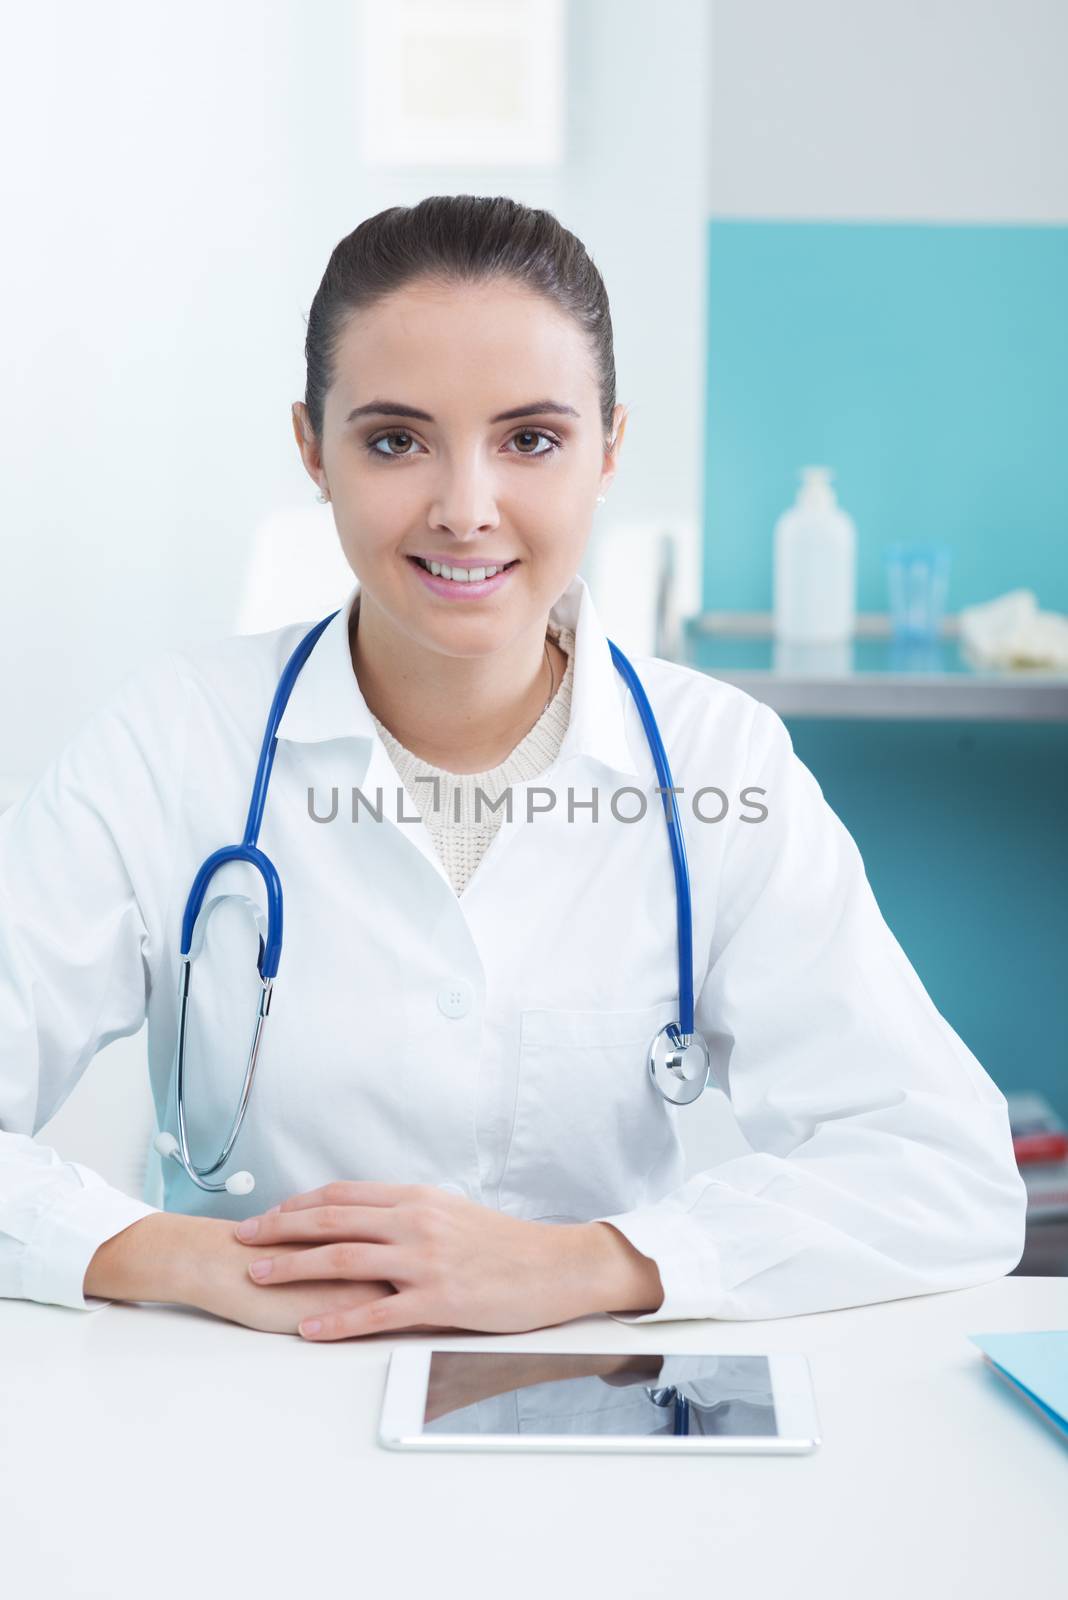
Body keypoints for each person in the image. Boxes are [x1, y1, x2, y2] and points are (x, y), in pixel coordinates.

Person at [0, 195, 1026, 1342]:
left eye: (530, 440)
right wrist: (175, 1254)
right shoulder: (172, 739)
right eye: (395, 440)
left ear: (609, 450)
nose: (465, 509)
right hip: (249, 1401)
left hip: (602, 1421)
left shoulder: (716, 761)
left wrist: (598, 1263)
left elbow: (946, 1169)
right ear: (311, 449)